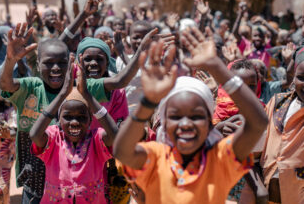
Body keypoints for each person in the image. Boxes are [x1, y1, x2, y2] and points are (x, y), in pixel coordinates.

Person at [113, 27, 268, 203]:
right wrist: (148, 102)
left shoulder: (218, 158)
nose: (185, 123)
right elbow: (121, 151)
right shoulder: (156, 157)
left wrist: (218, 67)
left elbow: (258, 123)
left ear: (210, 122)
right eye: (175, 116)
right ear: (163, 122)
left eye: (196, 116)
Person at [29, 65, 118, 203]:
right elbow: (35, 134)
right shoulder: (53, 138)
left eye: (82, 117)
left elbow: (114, 135)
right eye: (68, 116)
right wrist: (62, 94)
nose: (75, 122)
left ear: (90, 120)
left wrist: (87, 95)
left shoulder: (96, 139)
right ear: (58, 119)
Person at [260, 46, 304, 203]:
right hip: (269, 193)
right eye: (302, 77)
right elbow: (260, 144)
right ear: (294, 78)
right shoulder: (277, 102)